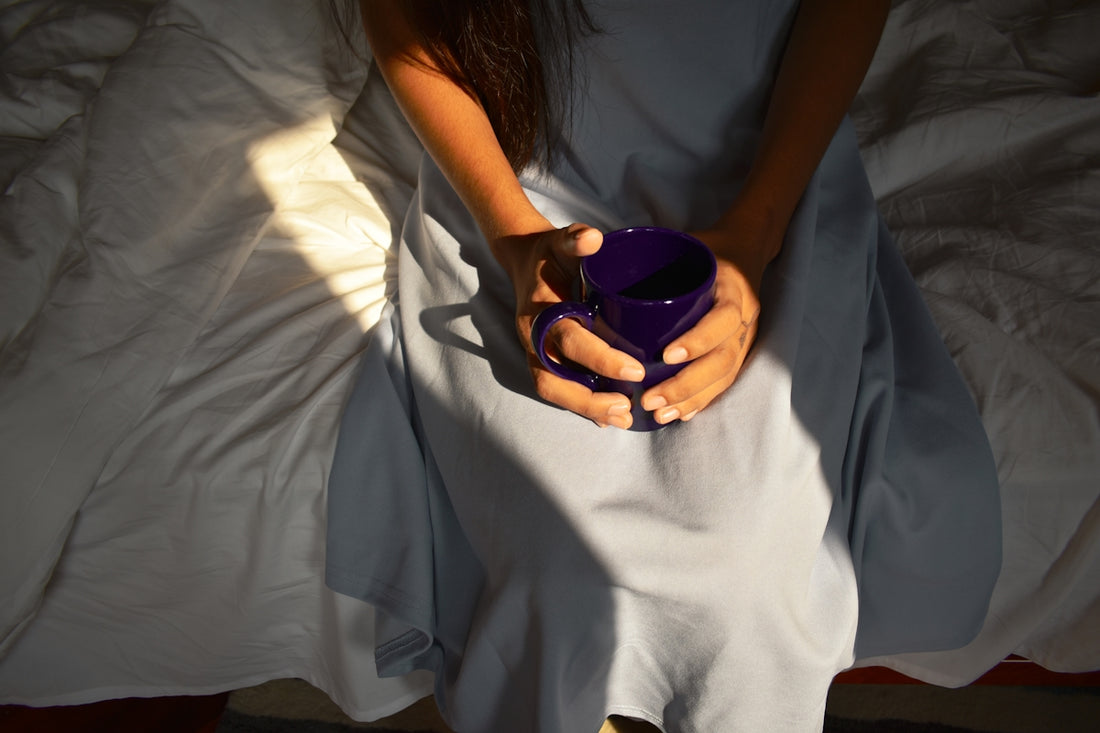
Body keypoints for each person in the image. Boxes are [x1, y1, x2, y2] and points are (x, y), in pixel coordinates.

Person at [326, 1, 1002, 731]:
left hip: (763, 170)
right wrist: (513, 233)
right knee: (558, 571)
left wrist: (759, 232)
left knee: (744, 574)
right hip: (513, 180)